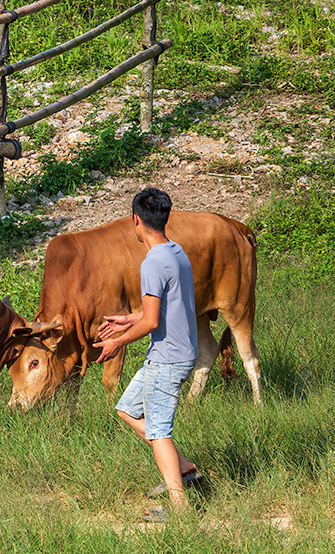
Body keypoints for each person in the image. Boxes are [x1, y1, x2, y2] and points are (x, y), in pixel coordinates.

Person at [93, 188, 202, 523]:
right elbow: (162, 308)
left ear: (136, 220)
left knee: (158, 432)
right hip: (178, 351)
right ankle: (183, 467)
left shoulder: (152, 262)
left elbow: (153, 320)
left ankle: (179, 509)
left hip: (167, 359)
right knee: (126, 409)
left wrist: (117, 342)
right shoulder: (176, 252)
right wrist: (127, 318)